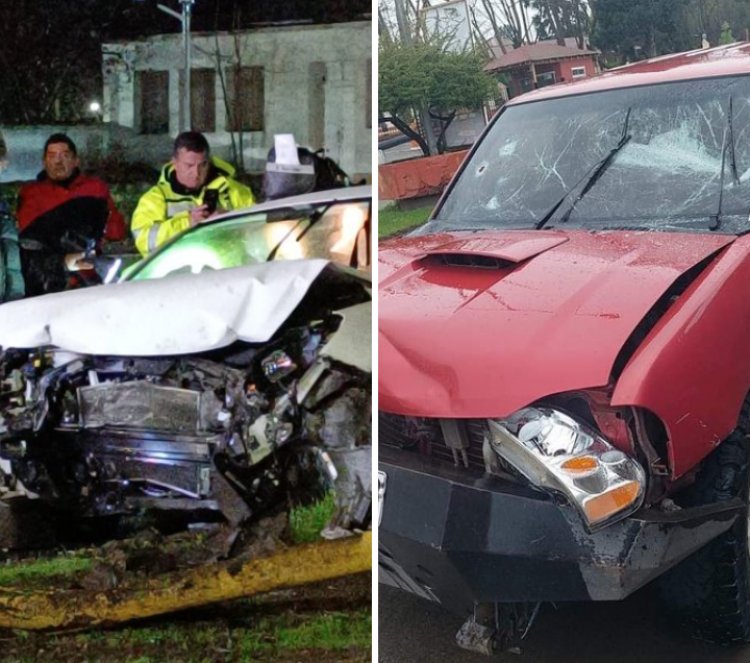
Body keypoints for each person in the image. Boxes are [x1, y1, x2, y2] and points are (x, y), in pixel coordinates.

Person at [16, 133, 127, 296]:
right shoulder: (31, 193)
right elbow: (30, 241)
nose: (58, 161)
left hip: (89, 276)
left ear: (76, 161)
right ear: (44, 162)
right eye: (52, 156)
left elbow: (116, 231)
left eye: (65, 155)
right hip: (50, 281)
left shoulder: (95, 188)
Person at [131, 131, 255, 256]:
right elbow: (145, 242)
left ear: (209, 162)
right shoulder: (156, 198)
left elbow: (257, 231)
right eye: (189, 165)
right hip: (178, 273)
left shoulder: (234, 190)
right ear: (174, 162)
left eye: (202, 165)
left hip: (227, 272)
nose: (196, 173)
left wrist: (228, 222)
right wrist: (188, 223)